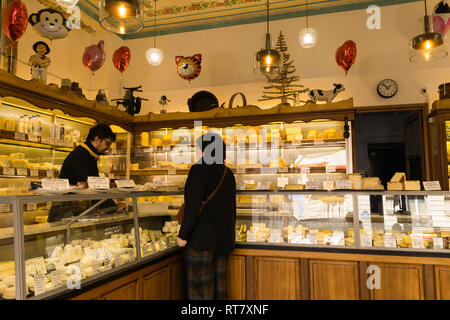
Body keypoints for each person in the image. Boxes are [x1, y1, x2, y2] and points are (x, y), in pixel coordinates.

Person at [177, 133, 236, 300]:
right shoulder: (227, 172)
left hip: (201, 240)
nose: (197, 151)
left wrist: (183, 234)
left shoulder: (199, 169)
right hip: (223, 240)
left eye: (199, 148)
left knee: (201, 290)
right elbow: (231, 208)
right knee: (220, 289)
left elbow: (193, 205)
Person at [47, 122, 123, 222]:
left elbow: (92, 185)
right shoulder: (81, 156)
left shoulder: (88, 155)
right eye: (107, 143)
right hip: (64, 214)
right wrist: (113, 207)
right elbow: (93, 186)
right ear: (97, 140)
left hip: (74, 212)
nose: (108, 147)